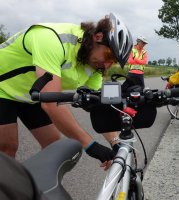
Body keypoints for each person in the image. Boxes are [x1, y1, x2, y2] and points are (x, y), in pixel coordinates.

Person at [0, 13, 133, 169]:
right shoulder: (51, 39)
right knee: (7, 147)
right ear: (97, 37)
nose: (108, 65)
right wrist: (90, 145)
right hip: (2, 89)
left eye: (114, 61)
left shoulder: (95, 65)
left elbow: (100, 107)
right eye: (109, 55)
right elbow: (51, 104)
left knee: (53, 145)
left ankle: (33, 188)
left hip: (29, 94)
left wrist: (115, 143)